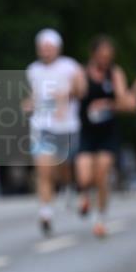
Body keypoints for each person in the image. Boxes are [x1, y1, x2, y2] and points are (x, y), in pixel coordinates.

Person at [74, 36, 135, 237]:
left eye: (108, 57)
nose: (105, 60)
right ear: (94, 55)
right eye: (101, 56)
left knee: (101, 175)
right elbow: (71, 95)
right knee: (84, 176)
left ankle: (99, 219)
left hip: (108, 133)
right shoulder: (81, 74)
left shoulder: (115, 74)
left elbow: (125, 103)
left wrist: (108, 105)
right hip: (86, 132)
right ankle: (83, 196)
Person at [24, 28, 81, 235]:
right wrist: (29, 104)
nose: (45, 51)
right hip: (42, 125)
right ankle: (46, 212)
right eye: (42, 47)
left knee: (62, 168)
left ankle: (68, 187)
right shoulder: (33, 70)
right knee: (43, 170)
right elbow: (34, 95)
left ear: (57, 48)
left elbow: (81, 90)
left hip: (66, 125)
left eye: (49, 47)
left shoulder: (70, 67)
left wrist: (65, 96)